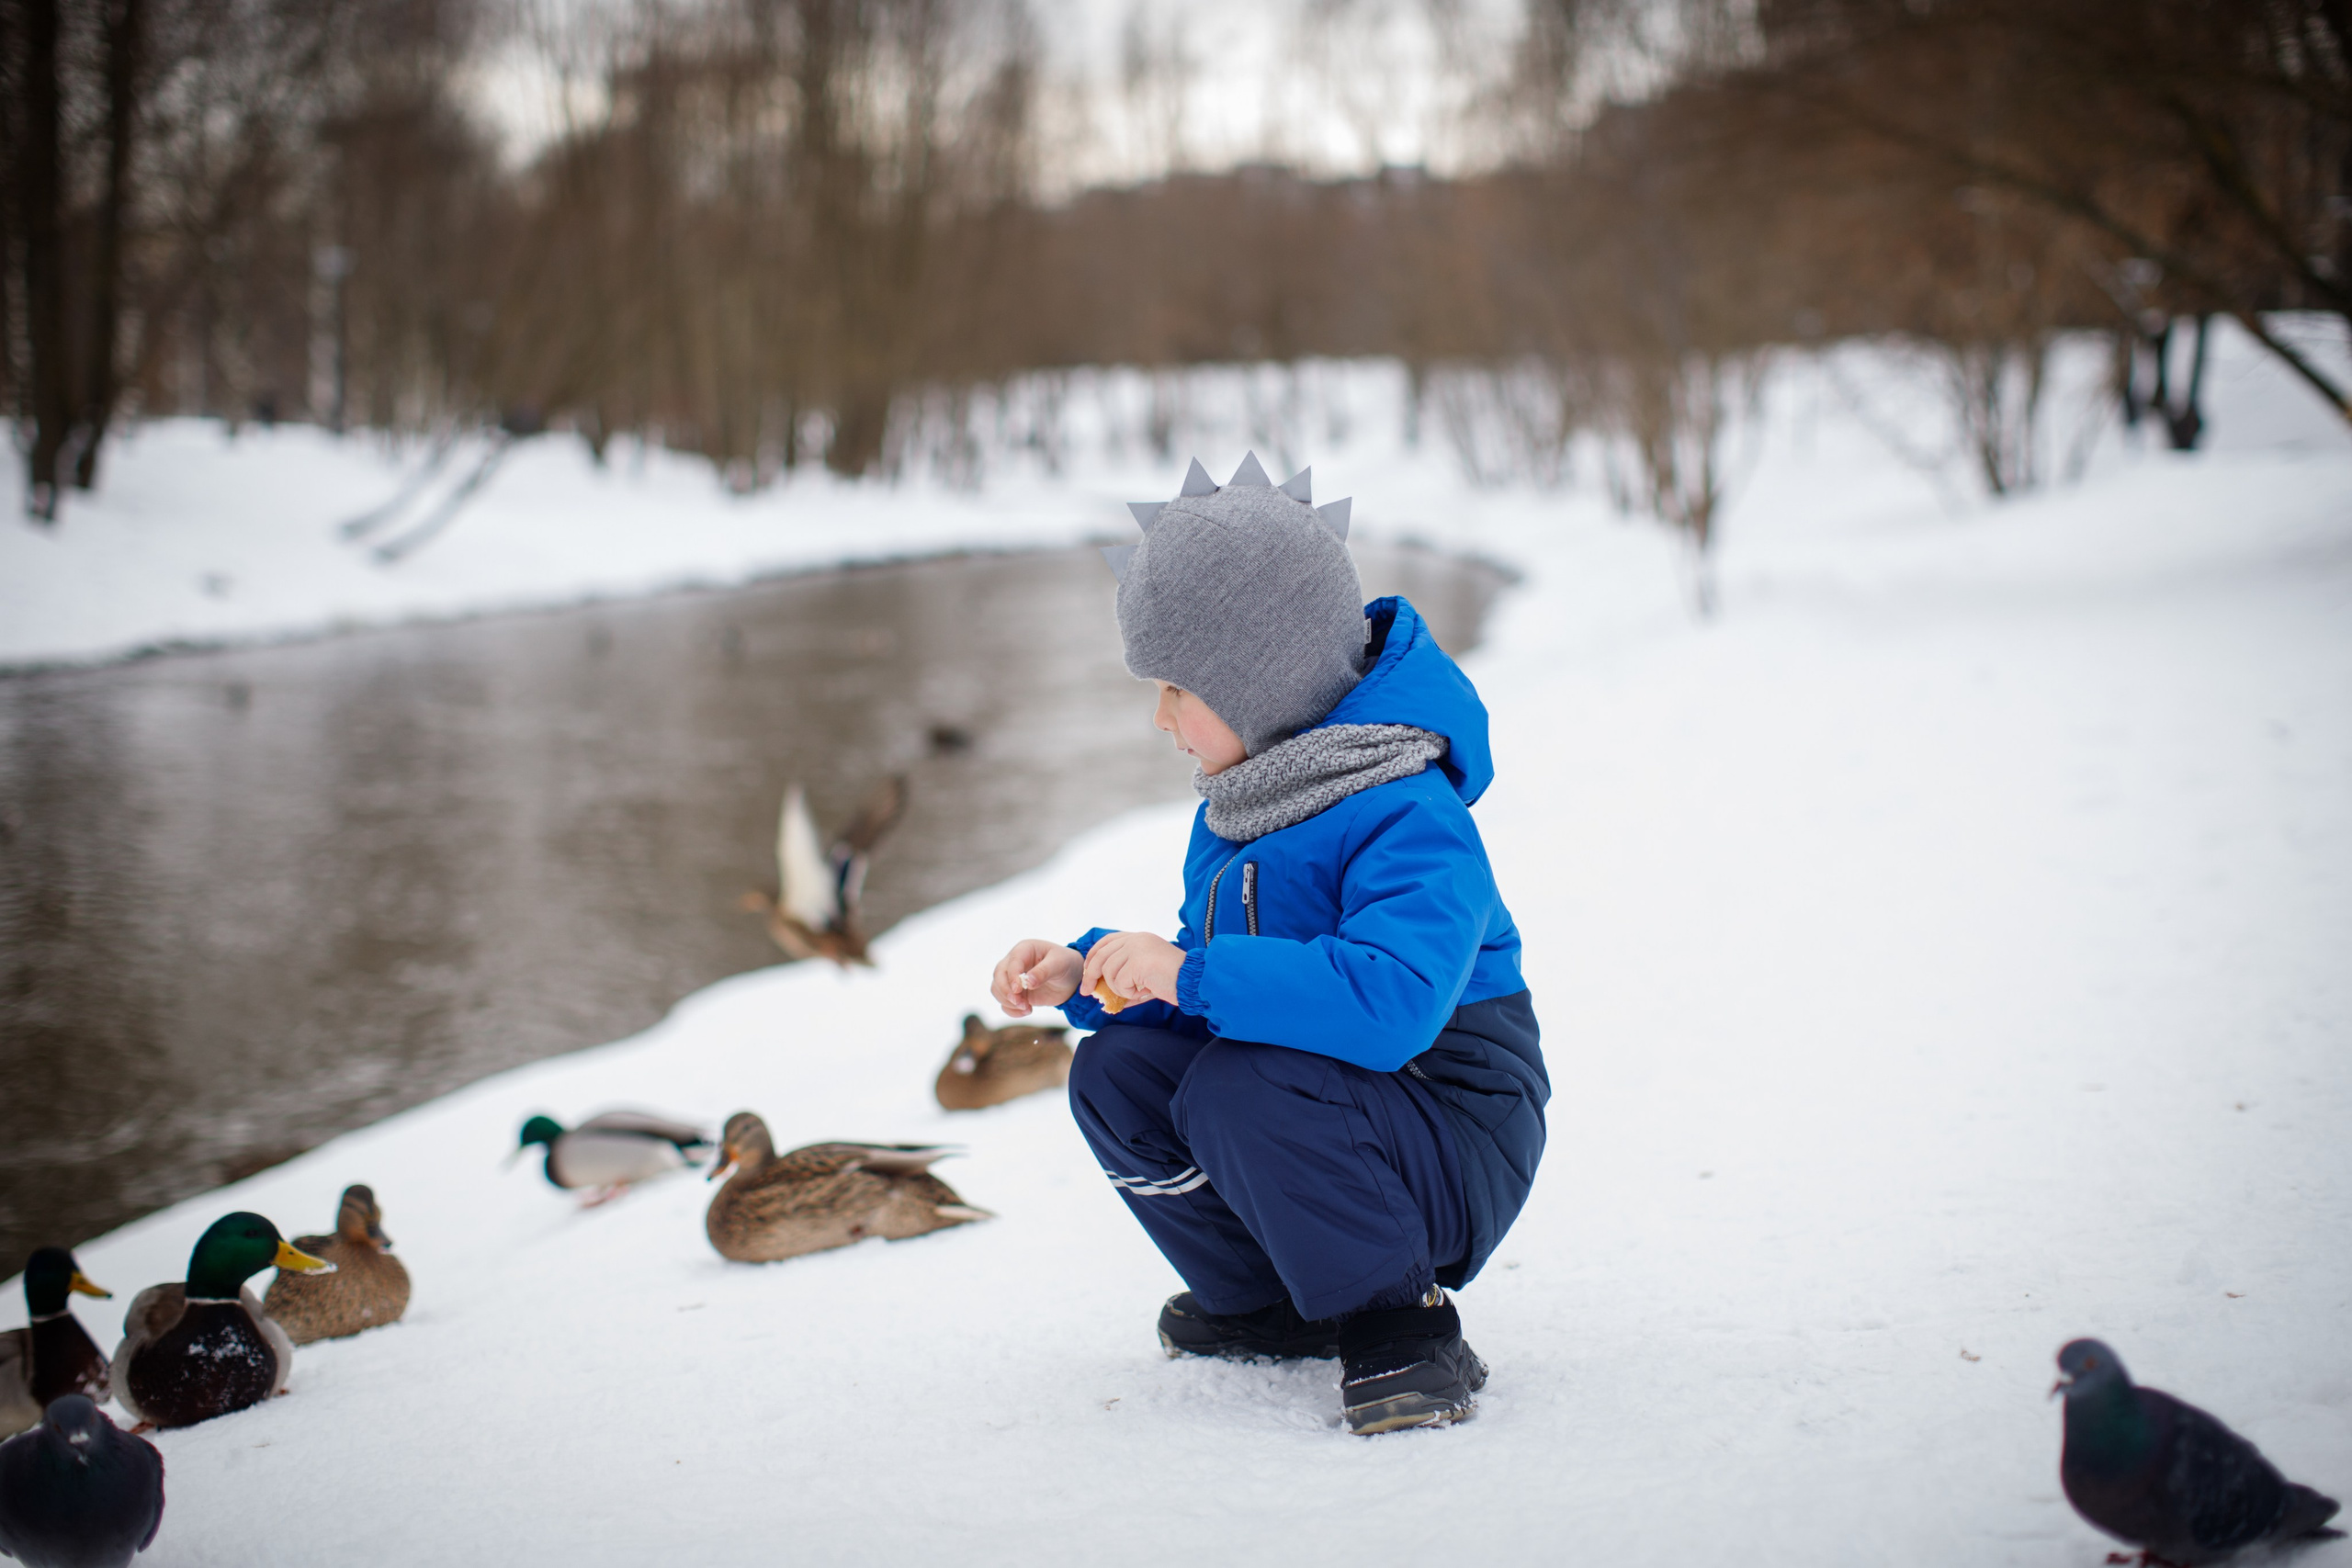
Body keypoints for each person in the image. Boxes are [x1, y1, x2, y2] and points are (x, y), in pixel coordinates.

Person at [989, 453, 1546, 1436]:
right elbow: (1219, 994)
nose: (1160, 717)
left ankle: (1403, 1322)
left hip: (1449, 1133)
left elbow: (1390, 1006)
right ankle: (1270, 1301)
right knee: (1119, 1069)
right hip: (1331, 1107)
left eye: (1177, 687)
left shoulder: (1409, 813)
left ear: (1261, 679)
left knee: (1241, 1083)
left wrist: (1192, 972)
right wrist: (1094, 974)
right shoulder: (1246, 808)